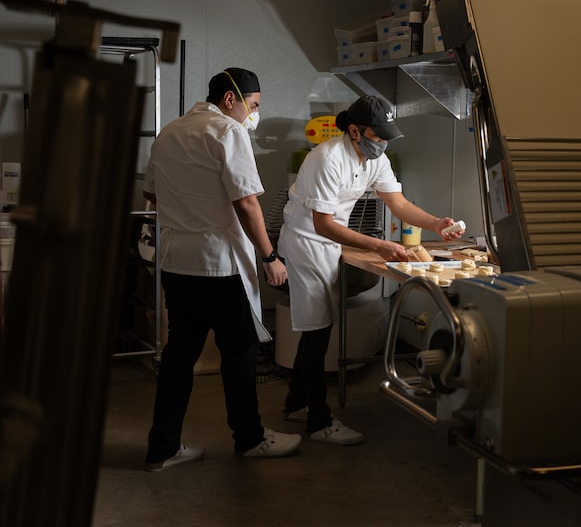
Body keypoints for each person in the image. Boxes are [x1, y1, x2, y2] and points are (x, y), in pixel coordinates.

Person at [277, 95, 465, 445]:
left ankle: (295, 402)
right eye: (378, 136)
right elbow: (322, 224)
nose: (383, 142)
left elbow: (399, 203)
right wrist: (378, 245)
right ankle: (318, 422)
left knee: (316, 329)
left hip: (328, 243)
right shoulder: (327, 158)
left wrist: (437, 223)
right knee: (317, 332)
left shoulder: (374, 158)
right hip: (306, 243)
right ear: (354, 130)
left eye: (386, 136)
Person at [142, 67, 301, 471]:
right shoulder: (228, 132)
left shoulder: (170, 132)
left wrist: (187, 215)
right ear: (230, 99)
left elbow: (150, 192)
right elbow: (247, 203)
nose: (254, 114)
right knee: (241, 353)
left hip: (178, 263)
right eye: (254, 105)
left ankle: (162, 447)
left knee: (180, 354)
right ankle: (249, 439)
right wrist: (270, 257)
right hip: (220, 265)